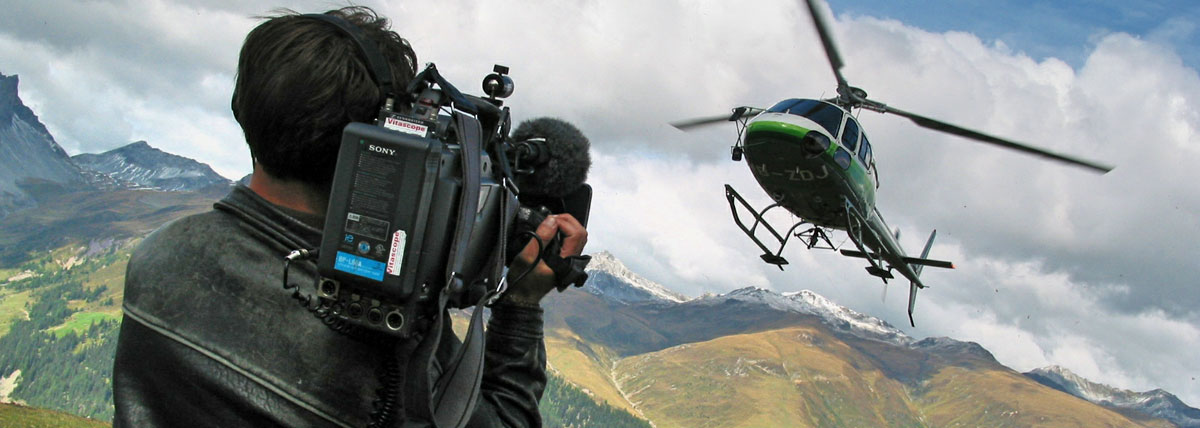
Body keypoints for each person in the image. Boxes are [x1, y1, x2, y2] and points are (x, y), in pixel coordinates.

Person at [111, 6, 587, 427]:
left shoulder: (162, 252)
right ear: (378, 148)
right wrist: (521, 306)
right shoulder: (382, 352)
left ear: (244, 107)